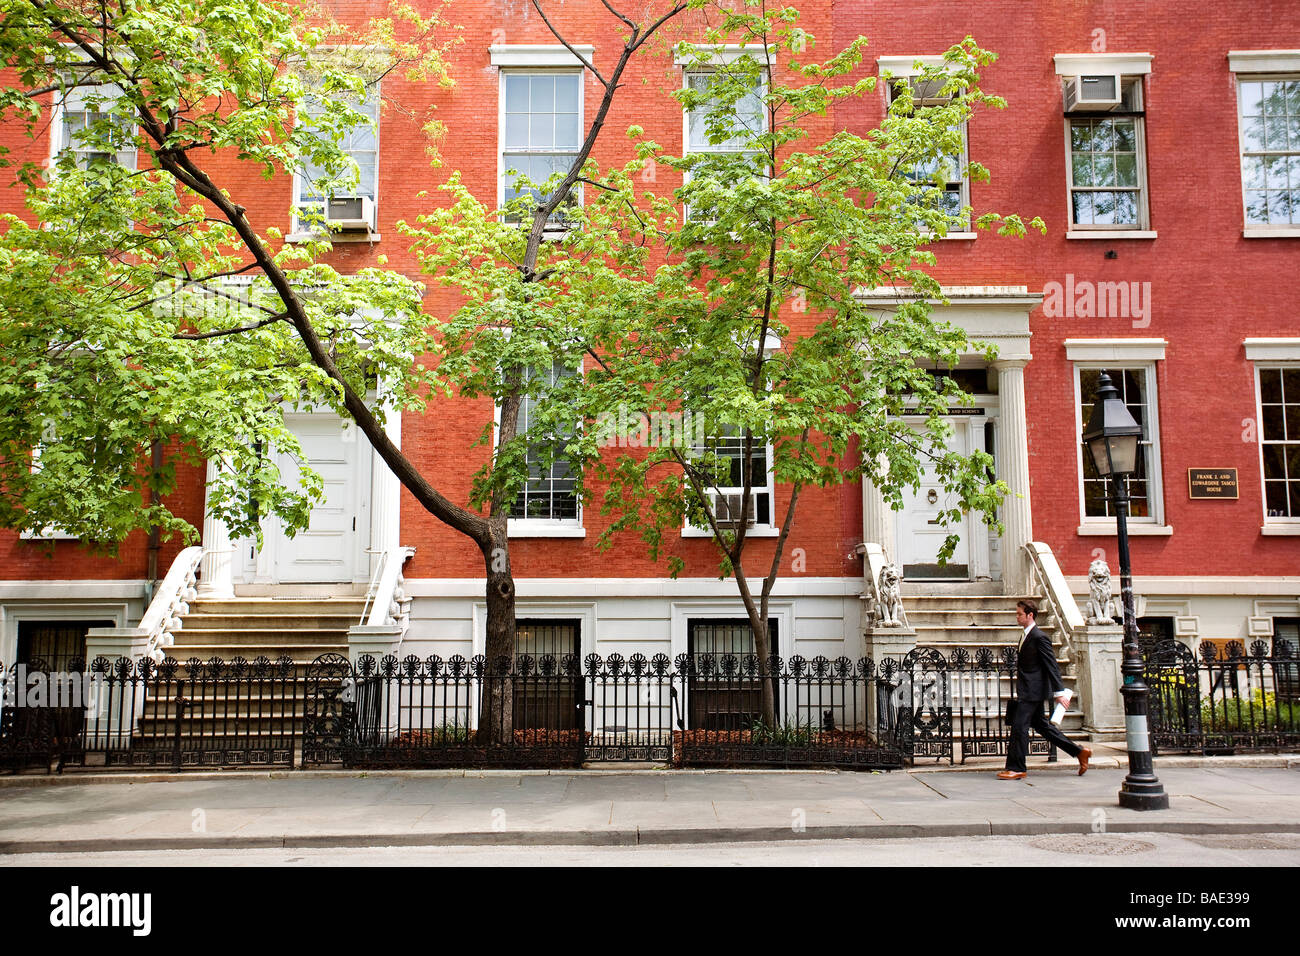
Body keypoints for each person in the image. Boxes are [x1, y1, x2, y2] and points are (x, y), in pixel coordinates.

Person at [997, 599, 1092, 779]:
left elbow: (1052, 666)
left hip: (1032, 692)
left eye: (1019, 614)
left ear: (1030, 615)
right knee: (1043, 727)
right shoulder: (1025, 635)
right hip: (1028, 689)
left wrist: (1059, 693)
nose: (1017, 617)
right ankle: (1079, 752)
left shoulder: (1039, 637)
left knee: (1019, 727)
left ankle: (1017, 768)